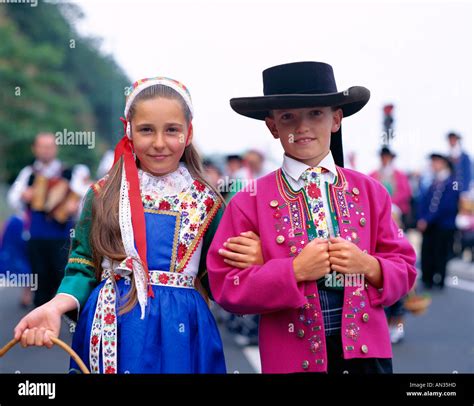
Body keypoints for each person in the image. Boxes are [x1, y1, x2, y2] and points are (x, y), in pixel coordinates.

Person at [13, 77, 262, 374]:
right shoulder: (102, 195)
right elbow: (83, 266)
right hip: (112, 329)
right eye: (146, 130)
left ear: (189, 132)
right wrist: (54, 306)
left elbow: (221, 278)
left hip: (182, 333)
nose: (159, 143)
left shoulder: (207, 202)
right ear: (128, 130)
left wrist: (256, 261)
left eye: (172, 130)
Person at [207, 61, 417, 373]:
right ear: (272, 126)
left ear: (336, 119)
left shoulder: (371, 192)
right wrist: (293, 270)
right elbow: (226, 284)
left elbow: (406, 267)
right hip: (291, 359)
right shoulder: (247, 202)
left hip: (367, 357)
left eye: (315, 113)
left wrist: (369, 266)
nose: (302, 126)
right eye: (288, 116)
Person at [7, 133, 76, 307]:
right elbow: (13, 197)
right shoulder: (29, 173)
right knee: (40, 276)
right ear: (35, 149)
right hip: (36, 235)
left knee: (61, 275)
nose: (46, 150)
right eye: (42, 146)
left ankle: (59, 313)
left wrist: (73, 207)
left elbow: (82, 199)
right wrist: (25, 195)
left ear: (56, 149)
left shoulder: (69, 172)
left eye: (50, 146)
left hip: (62, 236)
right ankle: (40, 317)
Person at [417, 153, 459, 289]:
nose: (433, 165)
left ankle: (439, 279)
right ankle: (428, 278)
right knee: (427, 251)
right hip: (431, 225)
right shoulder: (433, 182)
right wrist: (422, 218)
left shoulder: (453, 182)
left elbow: (448, 205)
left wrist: (427, 219)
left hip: (444, 225)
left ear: (443, 164)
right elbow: (424, 202)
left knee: (440, 252)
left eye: (436, 162)